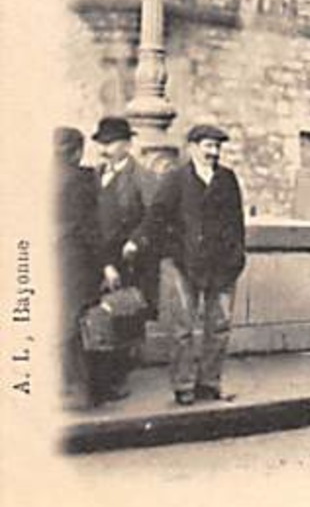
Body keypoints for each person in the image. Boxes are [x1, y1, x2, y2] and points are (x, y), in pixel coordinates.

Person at [125, 124, 246, 405]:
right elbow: (157, 215)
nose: (213, 152)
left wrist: (237, 256)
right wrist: (137, 240)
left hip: (222, 266)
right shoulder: (176, 179)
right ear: (192, 147)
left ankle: (209, 382)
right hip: (184, 263)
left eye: (217, 147)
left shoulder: (227, 179)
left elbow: (236, 222)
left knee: (219, 326)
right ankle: (183, 385)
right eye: (208, 146)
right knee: (182, 327)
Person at [89, 116, 157, 404]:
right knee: (96, 315)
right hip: (98, 256)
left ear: (127, 145)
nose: (105, 149)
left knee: (122, 316)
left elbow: (155, 217)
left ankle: (117, 378)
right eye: (102, 143)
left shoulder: (142, 177)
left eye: (111, 143)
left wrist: (135, 242)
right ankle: (100, 378)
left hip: (127, 258)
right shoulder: (96, 173)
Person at [54, 127, 102, 409]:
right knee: (73, 324)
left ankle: (63, 388)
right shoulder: (83, 180)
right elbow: (90, 228)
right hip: (74, 260)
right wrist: (104, 264)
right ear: (77, 151)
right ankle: (78, 391)